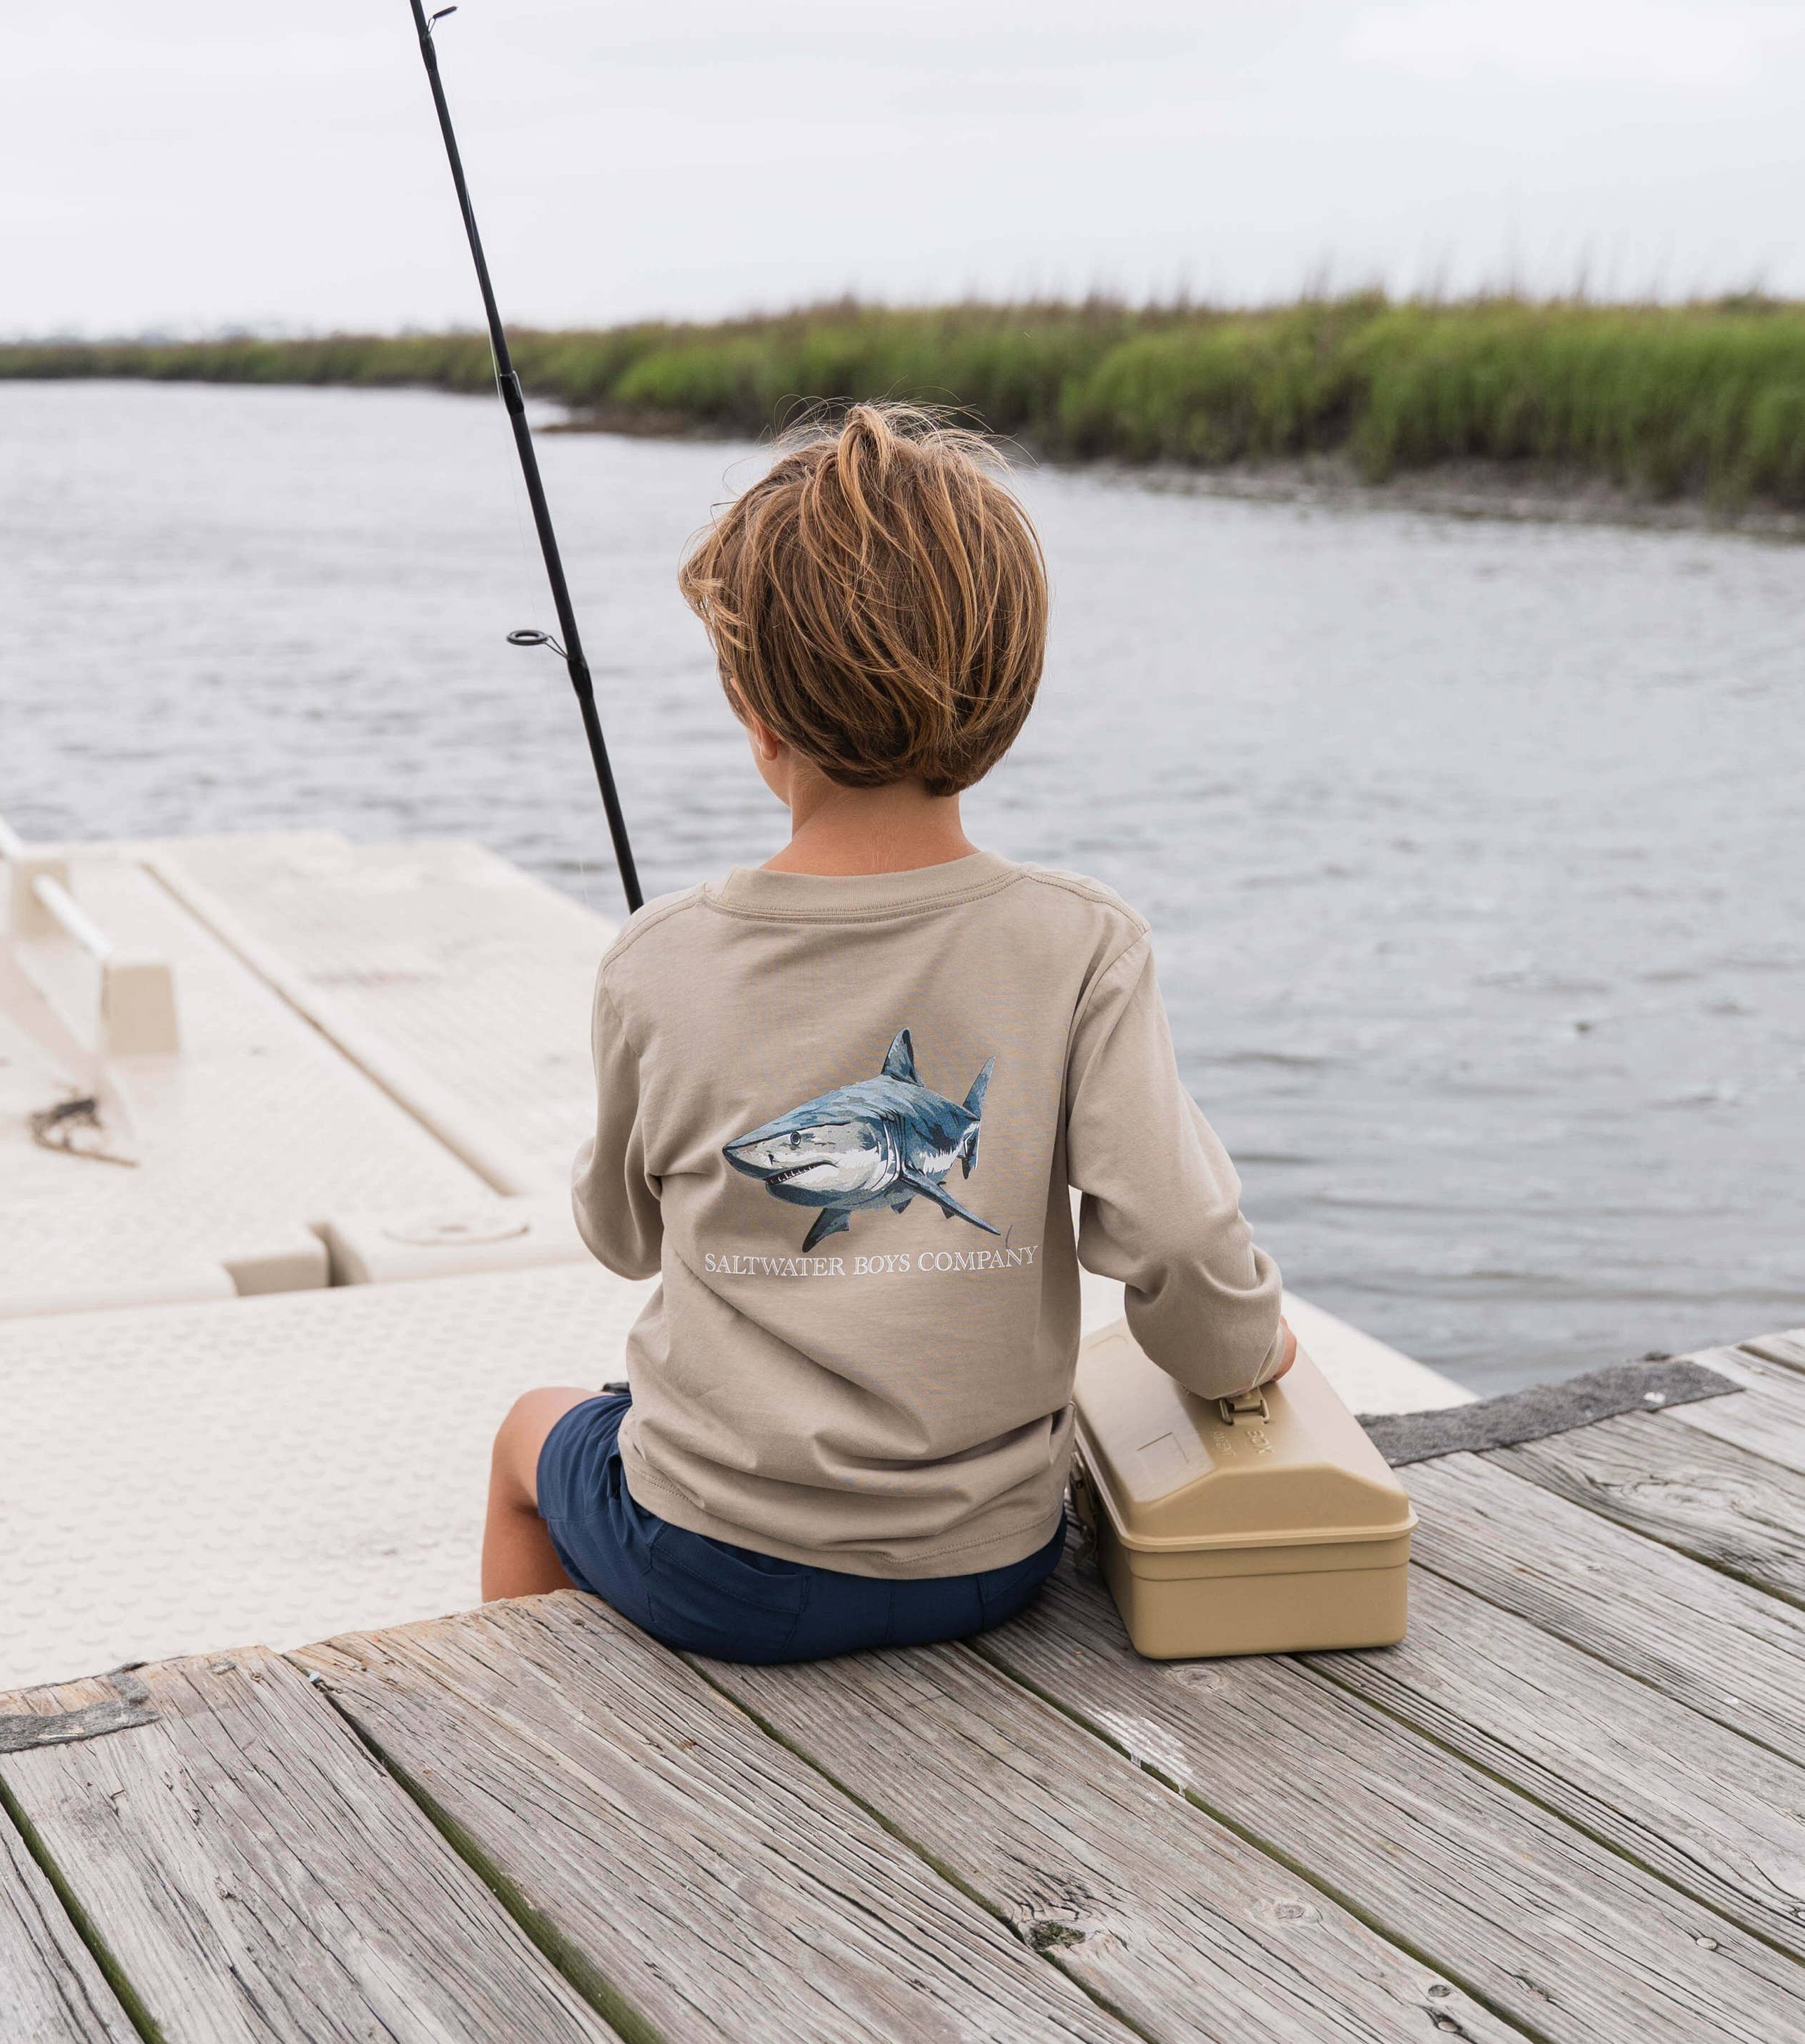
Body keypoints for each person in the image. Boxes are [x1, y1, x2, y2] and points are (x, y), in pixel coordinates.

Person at [483, 402, 1295, 1665]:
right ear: (1006, 693)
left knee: (528, 1434)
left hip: (711, 1560)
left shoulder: (657, 960)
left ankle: (532, 1736)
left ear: (751, 706)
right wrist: (1248, 1347)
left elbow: (618, 1236)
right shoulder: (1082, 941)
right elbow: (1181, 1238)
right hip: (991, 1557)